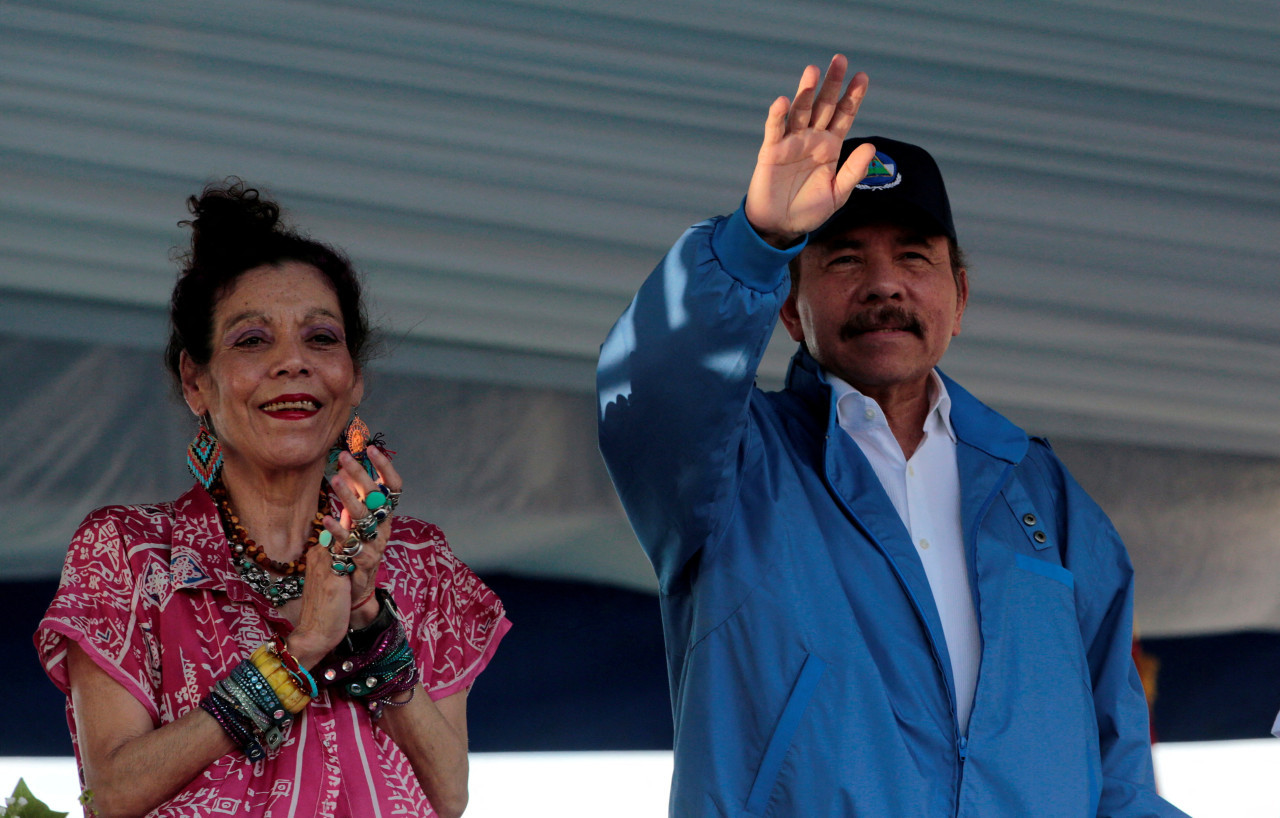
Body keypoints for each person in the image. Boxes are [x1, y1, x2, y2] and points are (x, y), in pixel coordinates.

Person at [597, 55, 1185, 816]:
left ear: (960, 296)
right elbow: (646, 391)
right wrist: (757, 239)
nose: (885, 283)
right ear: (789, 308)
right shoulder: (734, 467)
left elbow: (1121, 775)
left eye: (914, 257)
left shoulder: (1043, 497)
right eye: (844, 258)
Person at [35, 180, 510, 817]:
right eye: (252, 341)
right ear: (195, 380)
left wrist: (367, 616)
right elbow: (111, 794)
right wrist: (301, 651)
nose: (293, 362)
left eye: (321, 339)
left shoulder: (420, 563)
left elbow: (447, 796)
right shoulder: (129, 555)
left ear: (355, 377)